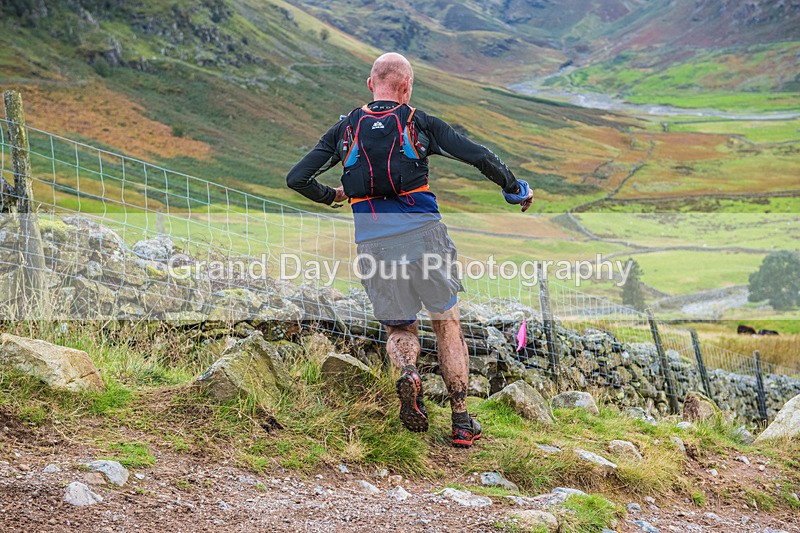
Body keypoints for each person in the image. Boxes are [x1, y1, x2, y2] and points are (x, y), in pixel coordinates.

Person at [287, 52, 533, 448]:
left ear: (371, 83)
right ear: (407, 87)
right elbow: (479, 156)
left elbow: (296, 177)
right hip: (424, 235)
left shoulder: (345, 129)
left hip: (374, 241)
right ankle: (461, 421)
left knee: (400, 327)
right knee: (447, 323)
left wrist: (333, 195)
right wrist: (513, 186)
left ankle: (407, 372)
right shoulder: (419, 122)